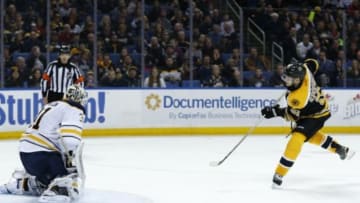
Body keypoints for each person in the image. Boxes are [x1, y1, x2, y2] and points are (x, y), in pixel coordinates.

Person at [261, 58, 355, 188]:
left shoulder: (298, 97)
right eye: (286, 77)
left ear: (298, 80)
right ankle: (339, 148)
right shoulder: (304, 69)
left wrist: (274, 112)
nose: (286, 81)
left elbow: (292, 115)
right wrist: (314, 70)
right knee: (309, 135)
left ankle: (279, 174)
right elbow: (313, 63)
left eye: (289, 79)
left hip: (316, 115)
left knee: (297, 137)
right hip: (317, 107)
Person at [0, 84, 87, 203]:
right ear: (81, 100)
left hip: (26, 154)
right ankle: (56, 190)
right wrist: (70, 164)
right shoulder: (74, 108)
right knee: (68, 176)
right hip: (43, 155)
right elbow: (70, 140)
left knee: (49, 176)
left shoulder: (53, 105)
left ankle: (25, 184)